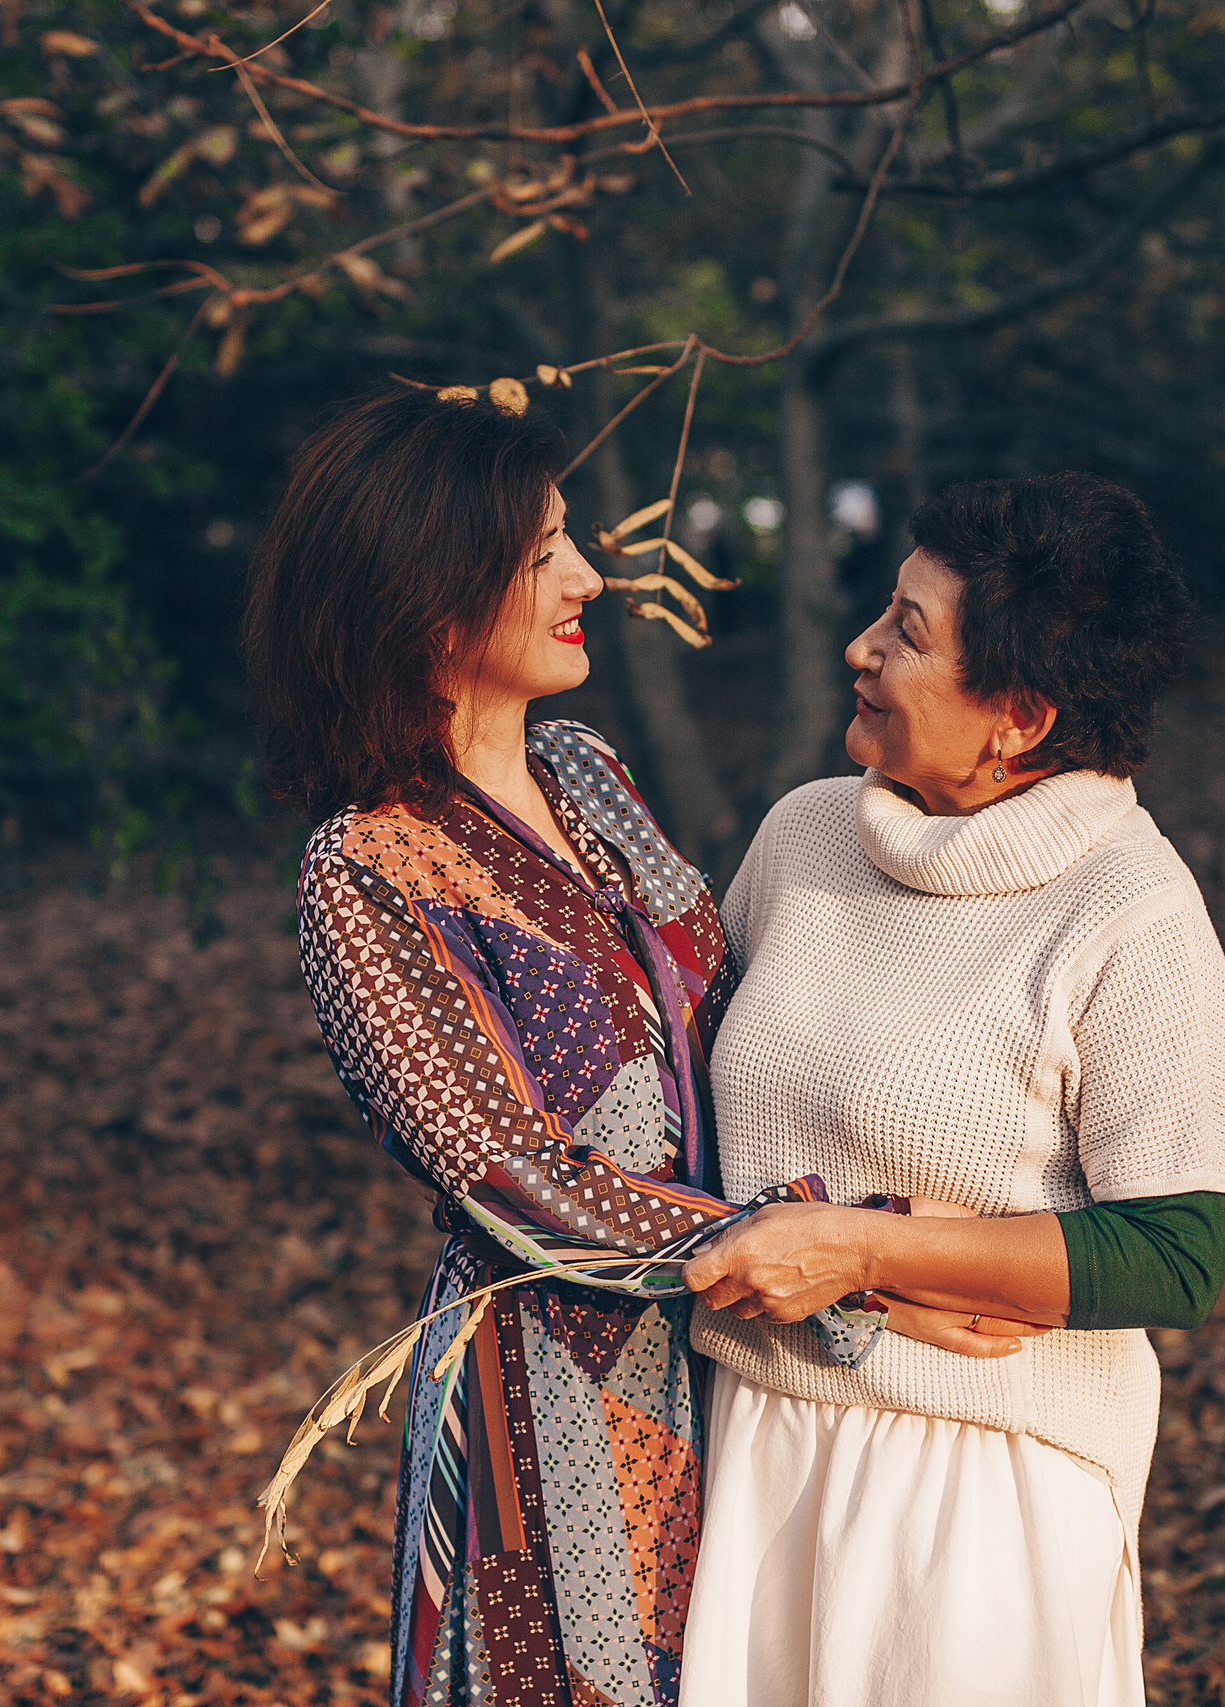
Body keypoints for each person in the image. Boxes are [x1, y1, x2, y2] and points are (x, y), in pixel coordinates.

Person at [246, 387, 927, 1707]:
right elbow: (518, 1181)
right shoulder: (368, 864)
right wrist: (829, 1253)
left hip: (746, 1342)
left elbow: (725, 1009)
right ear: (428, 601)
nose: (589, 577)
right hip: (560, 1372)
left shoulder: (584, 767)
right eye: (543, 552)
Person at [677, 473, 1225, 1707]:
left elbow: (1175, 1255)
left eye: (907, 634)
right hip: (754, 1435)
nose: (860, 648)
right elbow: (694, 1127)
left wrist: (867, 1250)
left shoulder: (1131, 911)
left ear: (1016, 718)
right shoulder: (804, 837)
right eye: (882, 612)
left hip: (975, 1491)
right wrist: (859, 1272)